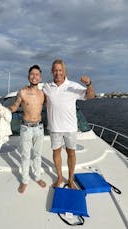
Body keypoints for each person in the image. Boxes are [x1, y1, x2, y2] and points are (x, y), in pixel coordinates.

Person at [43, 59, 95, 188]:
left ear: (64, 71)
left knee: (71, 153)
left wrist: (88, 84)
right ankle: (60, 177)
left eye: (60, 70)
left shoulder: (73, 86)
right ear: (51, 72)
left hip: (70, 128)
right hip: (55, 127)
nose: (58, 73)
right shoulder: (46, 87)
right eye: (55, 70)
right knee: (56, 153)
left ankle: (70, 179)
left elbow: (91, 96)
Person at [0, 65, 46, 193]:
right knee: (25, 156)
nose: (34, 76)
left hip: (39, 128)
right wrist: (5, 110)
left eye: (37, 74)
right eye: (32, 74)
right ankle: (25, 180)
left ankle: (37, 176)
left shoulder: (42, 94)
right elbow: (15, 106)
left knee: (37, 155)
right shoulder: (22, 92)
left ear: (40, 77)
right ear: (28, 76)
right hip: (26, 128)